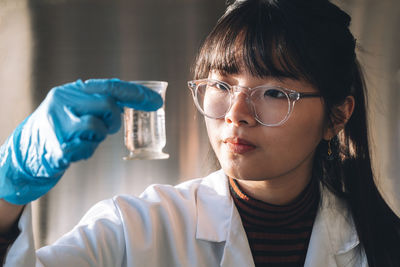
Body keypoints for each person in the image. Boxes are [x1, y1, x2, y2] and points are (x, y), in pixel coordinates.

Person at [1, 0, 399, 266]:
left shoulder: (381, 242)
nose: (237, 114)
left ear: (337, 116)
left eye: (275, 92)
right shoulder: (135, 228)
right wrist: (7, 190)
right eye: (222, 86)